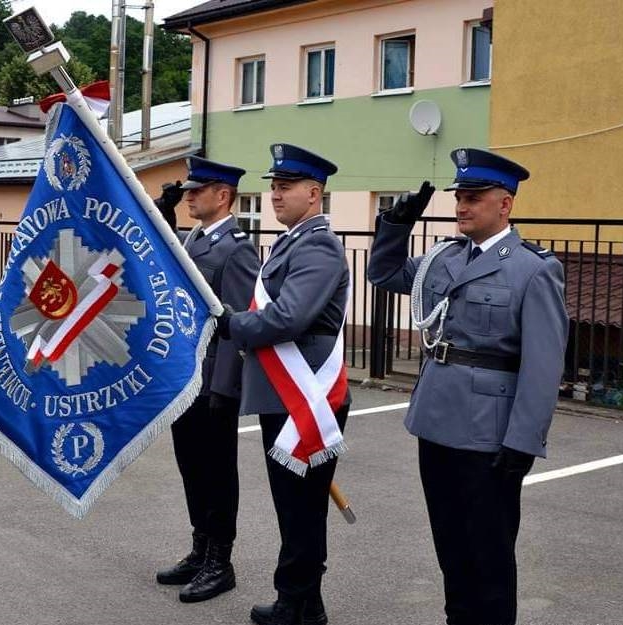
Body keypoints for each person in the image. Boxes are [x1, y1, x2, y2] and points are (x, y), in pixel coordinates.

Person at [368, 148, 568, 625]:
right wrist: (394, 227)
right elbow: (384, 273)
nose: (462, 206)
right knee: (451, 550)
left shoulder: (533, 269)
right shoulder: (443, 258)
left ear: (505, 204)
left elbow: (543, 366)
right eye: (460, 196)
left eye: (474, 197)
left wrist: (523, 441)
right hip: (437, 423)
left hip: (488, 434)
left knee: (489, 558)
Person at [218, 144, 351, 625]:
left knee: (301, 507)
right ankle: (302, 600)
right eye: (273, 186)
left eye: (285, 187)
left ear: (313, 193)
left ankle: (298, 601)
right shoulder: (293, 240)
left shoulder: (317, 245)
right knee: (295, 506)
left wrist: (232, 325)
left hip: (305, 393)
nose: (274, 195)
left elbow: (290, 317)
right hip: (286, 391)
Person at [155, 156, 260, 603]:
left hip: (214, 379)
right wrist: (162, 210)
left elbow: (238, 326)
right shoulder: (193, 239)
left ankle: (221, 560)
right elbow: (161, 251)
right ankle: (200, 548)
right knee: (191, 467)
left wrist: (225, 386)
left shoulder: (237, 250)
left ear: (224, 196)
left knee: (217, 472)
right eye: (189, 191)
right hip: (185, 376)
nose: (191, 195)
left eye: (199, 190)